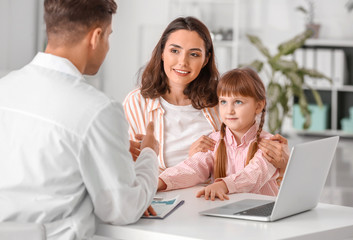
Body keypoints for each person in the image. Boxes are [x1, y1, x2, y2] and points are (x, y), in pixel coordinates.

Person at [0, 0, 159, 239]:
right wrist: (149, 153)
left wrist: (108, 150)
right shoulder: (99, 110)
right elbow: (122, 209)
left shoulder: (6, 87)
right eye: (108, 36)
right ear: (96, 37)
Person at [124, 16, 289, 175]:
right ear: (162, 53)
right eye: (175, 50)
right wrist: (190, 161)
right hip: (160, 198)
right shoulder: (136, 103)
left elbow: (248, 157)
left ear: (205, 59)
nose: (183, 62)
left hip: (215, 197)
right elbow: (127, 168)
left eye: (194, 54)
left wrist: (282, 161)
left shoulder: (220, 101)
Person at [157, 68, 279, 200]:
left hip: (262, 214)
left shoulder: (270, 144)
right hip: (226, 214)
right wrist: (161, 182)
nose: (229, 110)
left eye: (238, 102)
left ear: (258, 106)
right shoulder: (214, 140)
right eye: (223, 102)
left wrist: (224, 186)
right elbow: (193, 168)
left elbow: (254, 175)